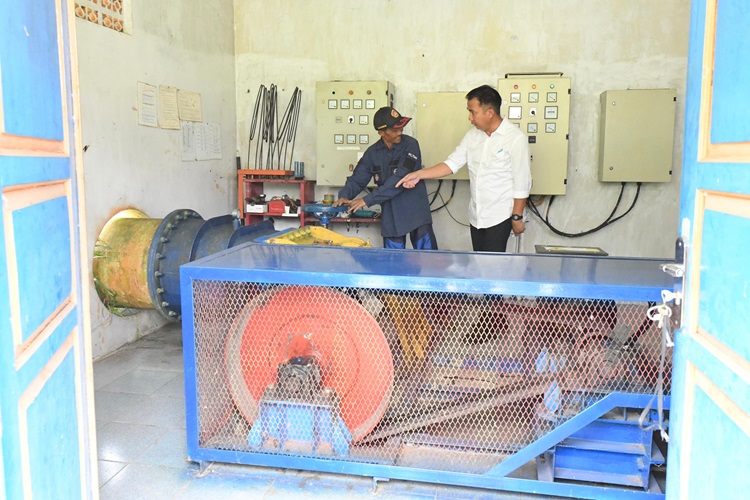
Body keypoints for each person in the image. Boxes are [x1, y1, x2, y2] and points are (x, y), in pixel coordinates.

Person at [396, 85, 532, 252]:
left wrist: (517, 217)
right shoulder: (472, 136)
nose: (470, 118)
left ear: (489, 113)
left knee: (492, 268)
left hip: (500, 216)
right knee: (479, 263)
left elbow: (521, 181)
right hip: (476, 216)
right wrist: (418, 175)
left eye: (472, 112)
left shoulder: (515, 139)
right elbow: (451, 164)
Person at [334, 106, 438, 250]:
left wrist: (367, 200)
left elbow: (400, 179)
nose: (400, 132)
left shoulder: (411, 145)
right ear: (381, 132)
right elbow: (358, 179)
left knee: (428, 261)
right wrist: (344, 196)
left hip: (416, 212)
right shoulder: (372, 153)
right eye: (395, 130)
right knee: (392, 263)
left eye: (401, 128)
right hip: (391, 214)